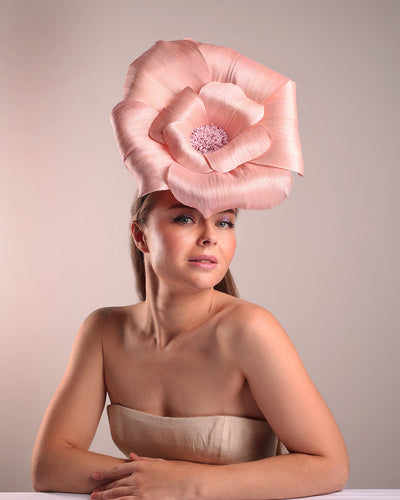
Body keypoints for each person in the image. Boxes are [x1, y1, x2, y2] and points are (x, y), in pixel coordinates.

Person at [31, 39, 349, 499]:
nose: (210, 237)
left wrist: (189, 484)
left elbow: (331, 468)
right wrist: (152, 484)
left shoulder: (250, 331)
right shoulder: (102, 331)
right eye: (184, 217)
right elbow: (49, 467)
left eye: (225, 221)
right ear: (141, 236)